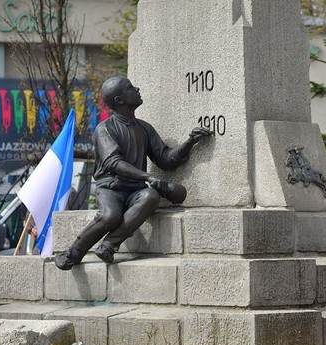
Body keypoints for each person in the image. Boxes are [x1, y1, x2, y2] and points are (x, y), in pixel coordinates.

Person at [54, 76, 212, 270]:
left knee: (151, 196)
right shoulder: (104, 129)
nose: (137, 89)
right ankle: (73, 253)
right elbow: (113, 162)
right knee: (111, 216)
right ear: (120, 100)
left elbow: (165, 159)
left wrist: (189, 143)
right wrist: (148, 177)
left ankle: (109, 245)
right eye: (130, 88)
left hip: (135, 190)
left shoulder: (144, 128)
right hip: (111, 188)